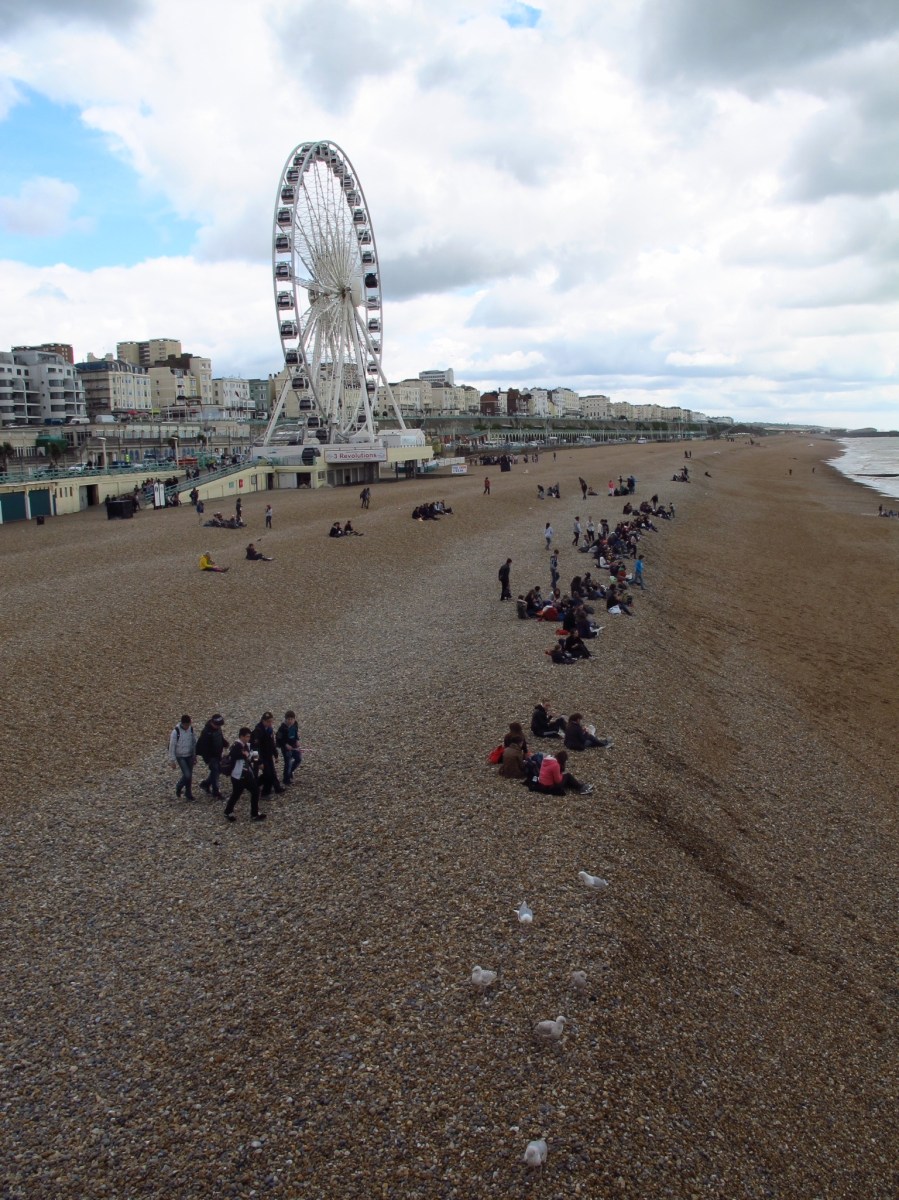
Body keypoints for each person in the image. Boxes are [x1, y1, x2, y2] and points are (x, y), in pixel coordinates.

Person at [224, 728, 265, 823]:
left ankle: (254, 813)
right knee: (236, 794)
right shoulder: (236, 745)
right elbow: (234, 755)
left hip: (246, 773)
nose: (248, 738)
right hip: (238, 776)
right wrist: (245, 755)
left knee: (255, 791)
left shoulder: (246, 745)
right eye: (247, 736)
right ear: (241, 736)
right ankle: (228, 811)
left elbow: (253, 756)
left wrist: (259, 763)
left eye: (249, 736)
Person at [251, 711, 284, 798]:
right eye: (268, 721)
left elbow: (272, 743)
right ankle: (265, 792)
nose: (270, 723)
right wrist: (258, 762)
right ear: (263, 721)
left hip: (268, 755)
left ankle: (276, 787)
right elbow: (254, 749)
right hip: (261, 757)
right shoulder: (257, 732)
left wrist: (275, 754)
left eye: (271, 721)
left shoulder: (269, 730)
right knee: (268, 774)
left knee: (272, 773)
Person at [196, 713, 229, 799]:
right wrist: (207, 760)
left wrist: (225, 743)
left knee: (218, 770)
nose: (218, 727)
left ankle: (206, 784)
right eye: (217, 725)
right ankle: (216, 792)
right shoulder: (206, 732)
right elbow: (203, 747)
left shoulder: (218, 728)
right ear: (212, 723)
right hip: (211, 756)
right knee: (215, 771)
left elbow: (220, 737)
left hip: (218, 753)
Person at [168, 714, 197, 800]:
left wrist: (194, 756)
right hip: (180, 756)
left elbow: (194, 743)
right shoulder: (175, 732)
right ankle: (179, 786)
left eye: (189, 724)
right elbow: (171, 746)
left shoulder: (191, 729)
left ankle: (188, 793)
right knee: (187, 775)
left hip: (190, 755)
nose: (188, 726)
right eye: (186, 725)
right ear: (182, 723)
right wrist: (172, 760)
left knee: (189, 776)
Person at [276, 710, 302, 786]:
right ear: (285, 719)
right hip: (285, 748)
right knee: (288, 762)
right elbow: (278, 739)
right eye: (288, 719)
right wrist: (285, 745)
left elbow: (295, 734)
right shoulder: (282, 728)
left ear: (294, 719)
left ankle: (290, 772)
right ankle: (286, 779)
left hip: (294, 746)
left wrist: (297, 740)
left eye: (292, 719)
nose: (290, 721)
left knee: (298, 759)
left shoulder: (295, 724)